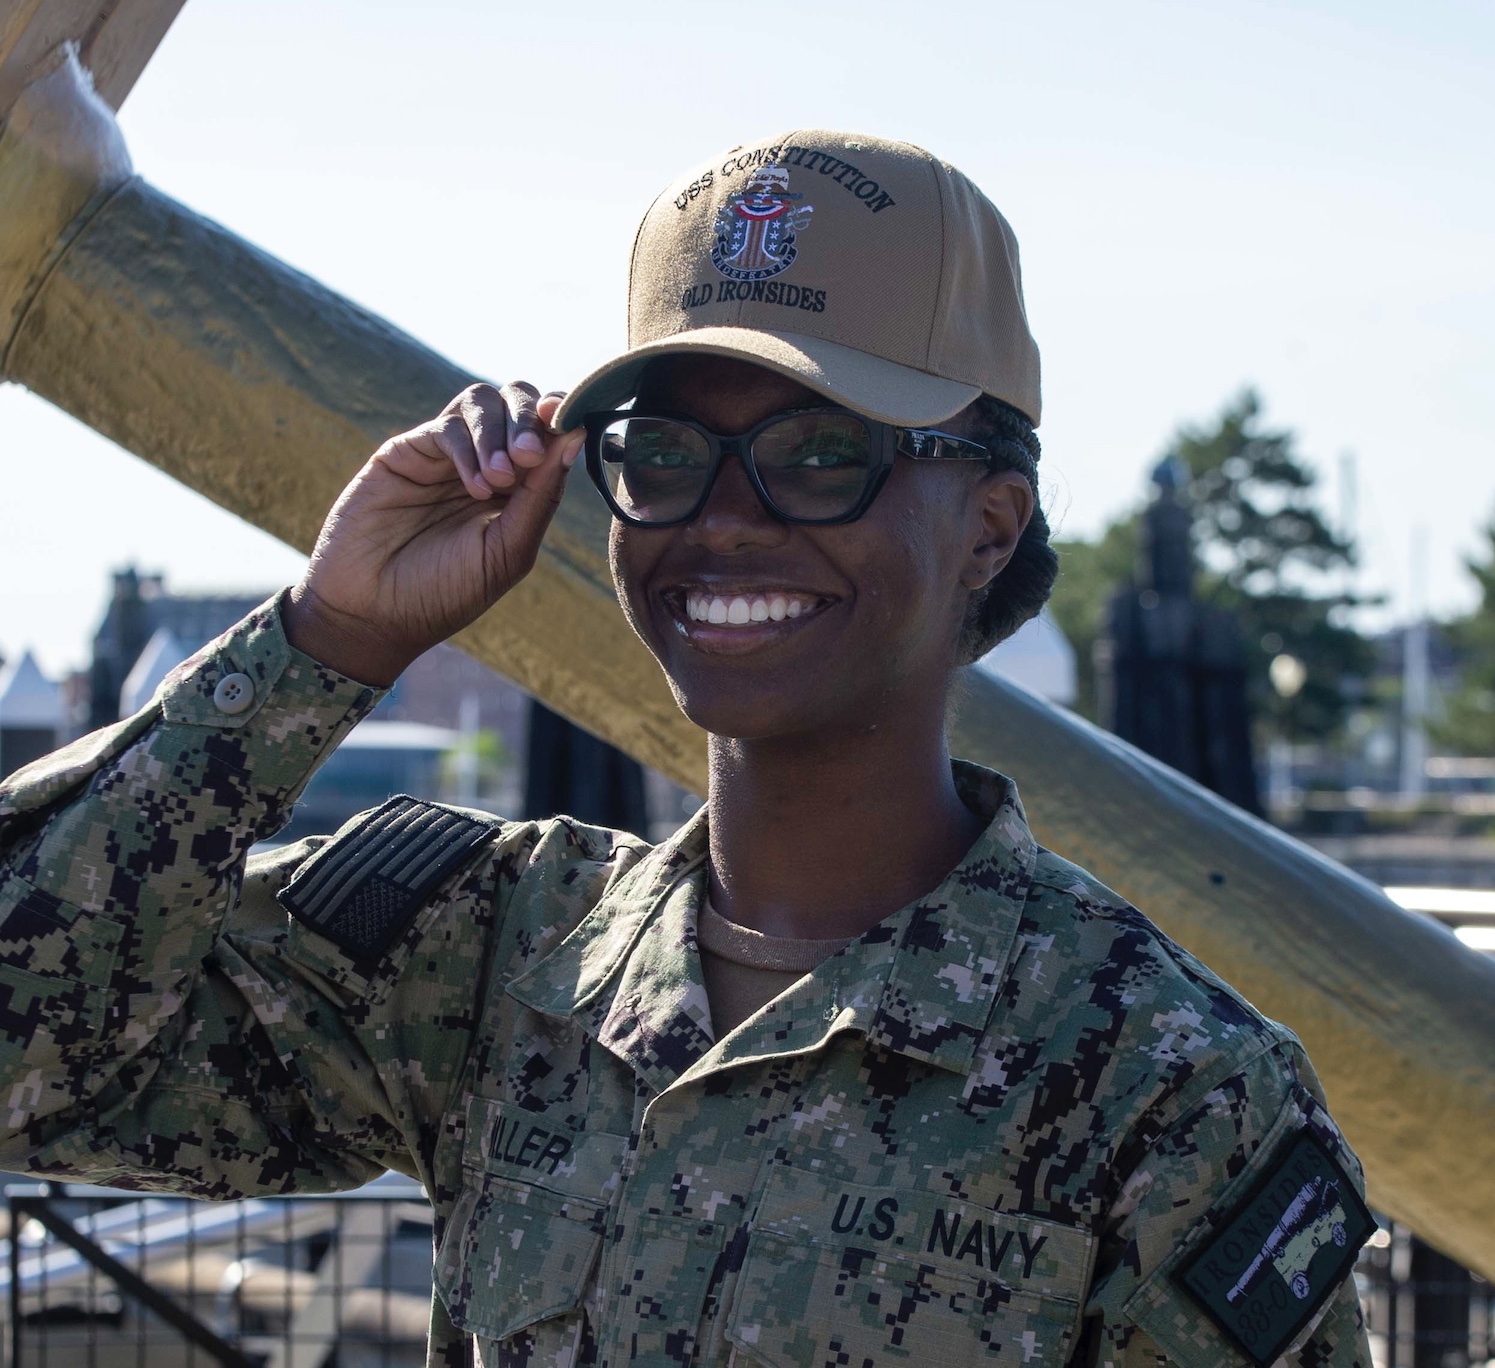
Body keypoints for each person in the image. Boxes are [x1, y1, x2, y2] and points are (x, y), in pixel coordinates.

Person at [0, 131, 1373, 1368]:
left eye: (821, 452)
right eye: (660, 453)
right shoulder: (492, 957)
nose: (722, 520)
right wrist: (329, 637)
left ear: (989, 527)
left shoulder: (1159, 1084)